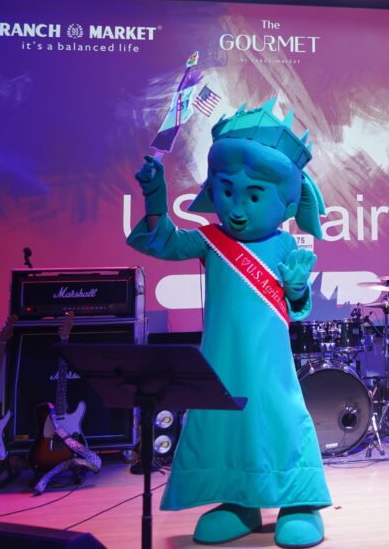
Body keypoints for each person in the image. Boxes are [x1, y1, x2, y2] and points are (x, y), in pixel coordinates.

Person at [128, 100, 330, 548]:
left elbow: (299, 305)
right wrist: (156, 197)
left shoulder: (283, 247)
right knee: (226, 426)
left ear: (285, 201)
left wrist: (297, 288)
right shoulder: (210, 241)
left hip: (270, 365)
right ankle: (239, 502)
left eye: (254, 196)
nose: (238, 208)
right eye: (227, 191)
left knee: (281, 419)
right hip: (221, 361)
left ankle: (299, 502)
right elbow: (162, 242)